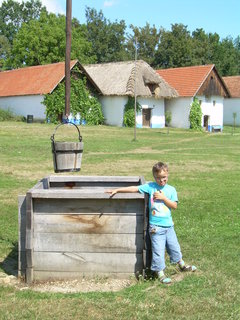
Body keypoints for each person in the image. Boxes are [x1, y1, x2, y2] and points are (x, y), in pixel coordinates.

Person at [106, 161, 196, 284]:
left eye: (164, 177)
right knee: (158, 251)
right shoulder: (150, 187)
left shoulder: (171, 190)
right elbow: (134, 188)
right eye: (158, 178)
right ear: (154, 177)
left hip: (169, 226)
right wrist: (117, 190)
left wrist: (163, 198)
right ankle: (160, 274)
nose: (161, 180)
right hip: (156, 228)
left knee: (174, 247)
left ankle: (182, 265)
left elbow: (174, 206)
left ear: (168, 175)